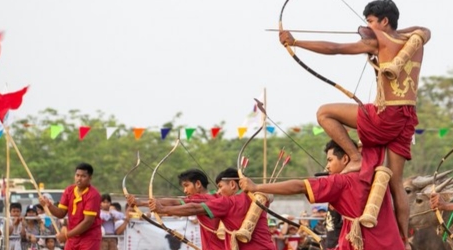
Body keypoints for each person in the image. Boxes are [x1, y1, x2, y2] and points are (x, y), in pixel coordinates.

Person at [278, 0, 431, 238]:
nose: (367, 26)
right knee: (397, 184)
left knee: (324, 112)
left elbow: (336, 48)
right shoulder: (415, 40)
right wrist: (393, 32)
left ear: (384, 21)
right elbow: (424, 29)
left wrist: (296, 42)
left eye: (370, 21)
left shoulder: (378, 40)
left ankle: (355, 156)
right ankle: (403, 238)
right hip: (407, 117)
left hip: (386, 114)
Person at [239, 140, 405, 250]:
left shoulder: (341, 182)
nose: (327, 166)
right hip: (391, 244)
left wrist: (256, 186)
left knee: (324, 113)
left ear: (346, 159)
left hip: (368, 245)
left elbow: (299, 186)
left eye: (330, 160)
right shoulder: (373, 176)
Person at [148, 168, 275, 250]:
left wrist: (162, 209)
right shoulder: (257, 197)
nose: (219, 191)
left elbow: (193, 208)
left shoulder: (227, 202)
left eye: (220, 186)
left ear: (232, 184)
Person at [127, 169, 226, 250]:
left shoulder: (202, 199)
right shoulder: (216, 196)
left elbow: (174, 202)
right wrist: (141, 203)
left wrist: (141, 203)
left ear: (198, 184)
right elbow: (176, 202)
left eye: (186, 185)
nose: (185, 190)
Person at [39, 163, 103, 250]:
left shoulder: (93, 194)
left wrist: (66, 235)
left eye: (83, 176)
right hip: (72, 237)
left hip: (89, 237)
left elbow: (88, 221)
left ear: (90, 178)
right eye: (77, 175)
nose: (79, 179)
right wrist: (49, 206)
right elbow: (61, 213)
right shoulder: (69, 190)